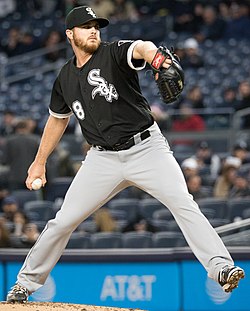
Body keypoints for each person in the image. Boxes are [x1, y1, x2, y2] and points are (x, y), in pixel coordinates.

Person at [6, 5, 244, 303]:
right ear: (70, 34)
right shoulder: (65, 77)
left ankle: (221, 267)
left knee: (183, 203)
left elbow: (141, 47)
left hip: (146, 149)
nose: (93, 30)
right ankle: (24, 285)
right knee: (62, 221)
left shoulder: (113, 53)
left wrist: (156, 57)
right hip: (101, 158)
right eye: (85, 26)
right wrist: (38, 163)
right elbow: (57, 119)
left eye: (96, 26)